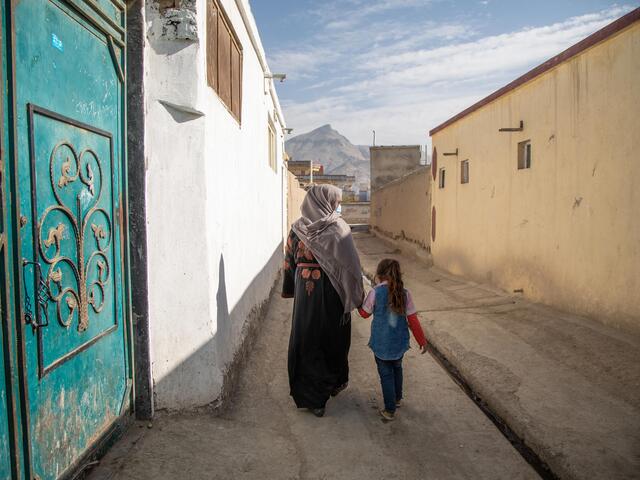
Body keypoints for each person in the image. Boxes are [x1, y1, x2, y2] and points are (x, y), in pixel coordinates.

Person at [283, 184, 364, 417]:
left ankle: (310, 396)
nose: (337, 205)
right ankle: (330, 385)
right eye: (335, 201)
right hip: (332, 295)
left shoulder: (297, 229)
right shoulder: (338, 228)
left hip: (305, 296)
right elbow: (351, 267)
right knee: (332, 338)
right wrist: (356, 296)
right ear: (327, 202)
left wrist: (292, 288)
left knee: (306, 337)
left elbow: (289, 263)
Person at [358, 259, 428, 422]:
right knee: (397, 369)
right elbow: (413, 320)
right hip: (399, 342)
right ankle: (397, 399)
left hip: (381, 343)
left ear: (379, 275)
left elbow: (364, 314)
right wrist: (422, 340)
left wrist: (359, 302)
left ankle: (389, 410)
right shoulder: (405, 293)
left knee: (386, 375)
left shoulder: (375, 292)